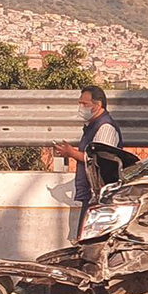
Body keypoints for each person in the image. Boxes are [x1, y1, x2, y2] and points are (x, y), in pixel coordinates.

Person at [52, 85, 123, 238]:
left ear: (97, 105)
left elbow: (100, 160)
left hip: (101, 197)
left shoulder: (105, 128)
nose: (81, 107)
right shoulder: (92, 126)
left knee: (92, 240)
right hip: (92, 195)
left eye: (84, 104)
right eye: (80, 103)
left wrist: (71, 153)